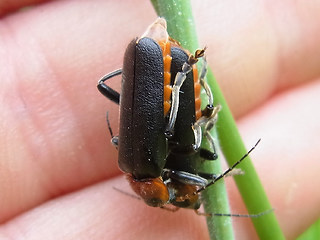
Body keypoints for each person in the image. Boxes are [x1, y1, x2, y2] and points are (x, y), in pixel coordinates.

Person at [0, 1, 319, 239]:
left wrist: (175, 83)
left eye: (164, 194)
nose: (170, 191)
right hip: (143, 59)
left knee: (169, 127)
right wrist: (134, 81)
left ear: (159, 185)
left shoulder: (149, 164)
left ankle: (173, 79)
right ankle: (158, 75)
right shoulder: (129, 163)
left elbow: (162, 127)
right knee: (161, 122)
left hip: (153, 63)